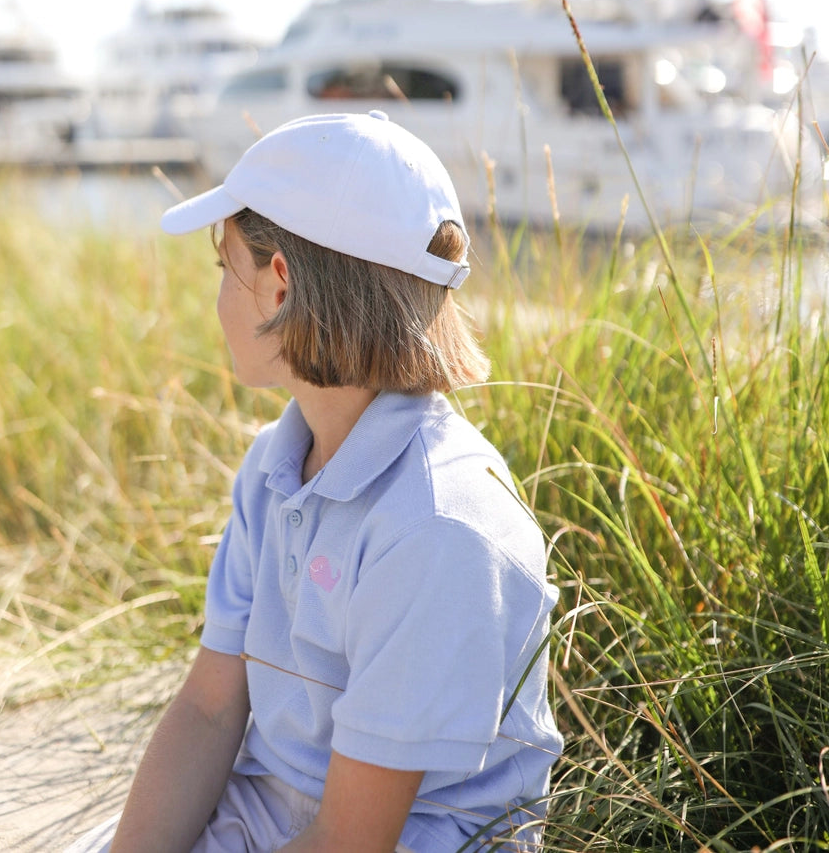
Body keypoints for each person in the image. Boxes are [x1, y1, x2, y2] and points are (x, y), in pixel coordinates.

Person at [68, 110, 562, 853]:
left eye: (223, 269)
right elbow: (209, 709)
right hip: (270, 812)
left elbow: (351, 839)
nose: (216, 302)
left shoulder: (436, 527)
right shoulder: (273, 468)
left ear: (278, 286)